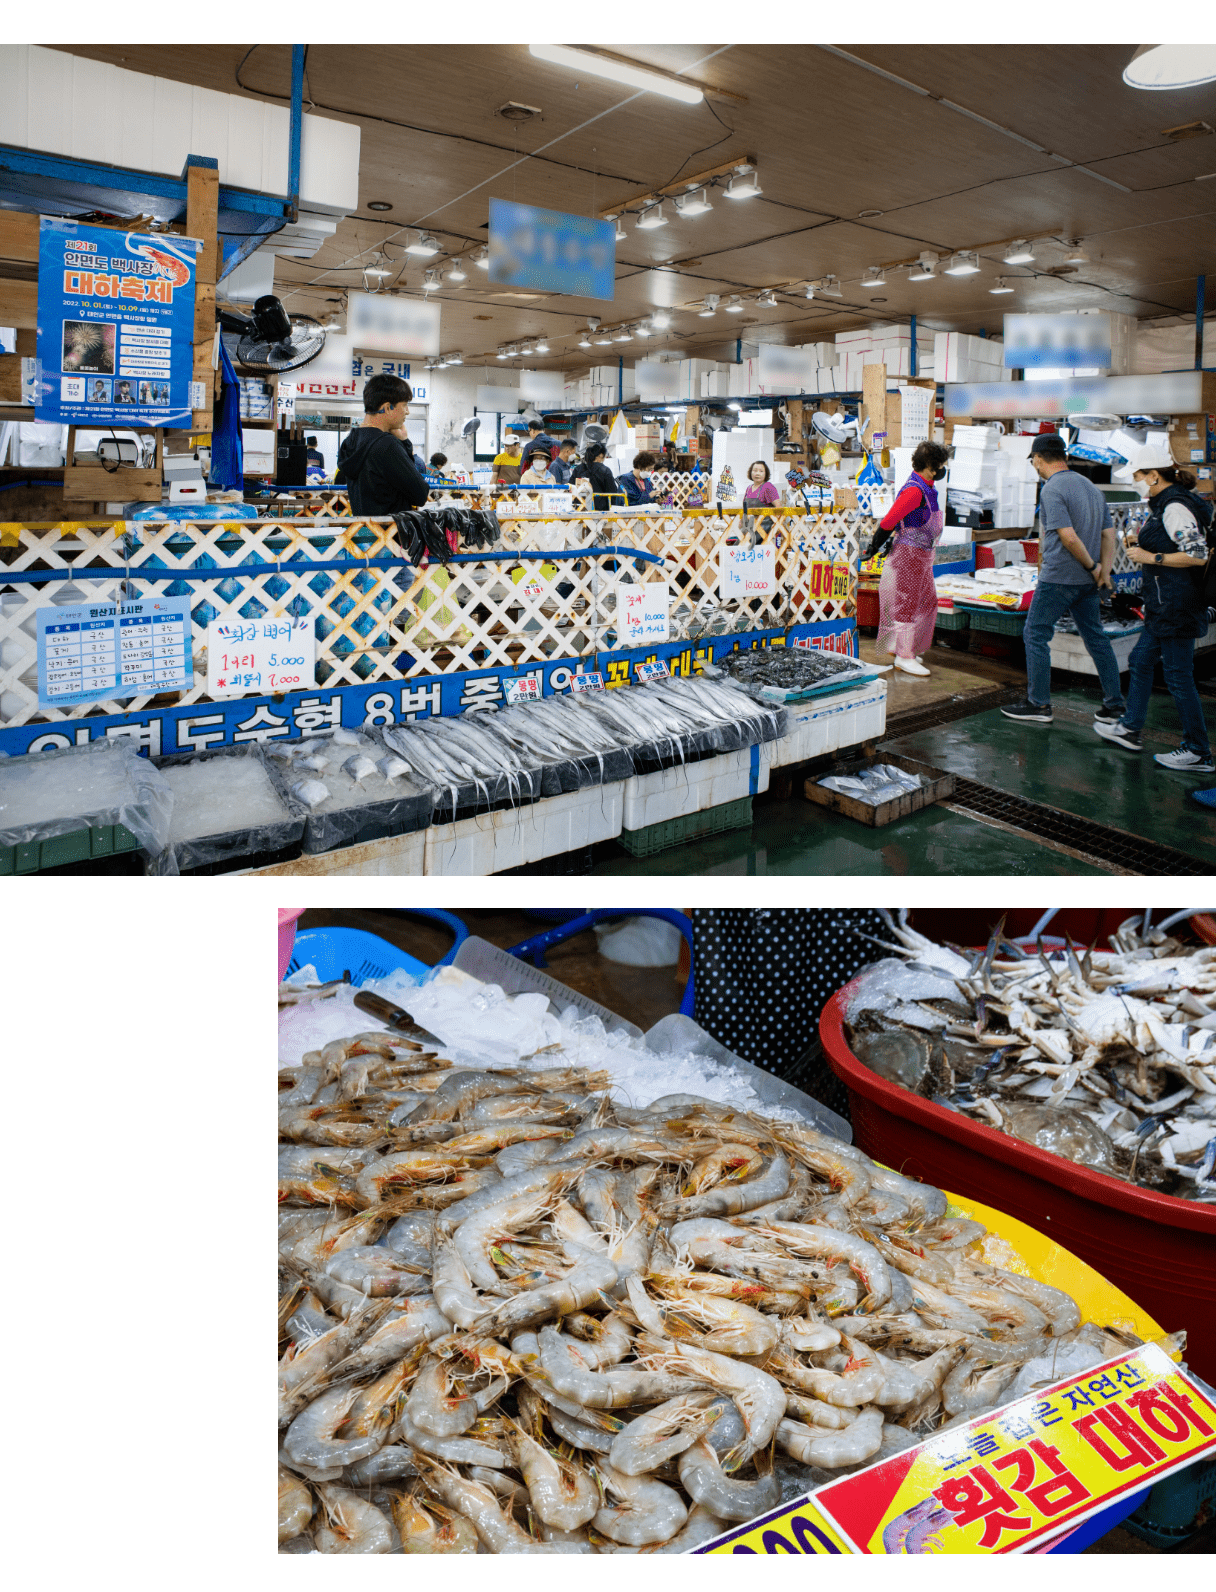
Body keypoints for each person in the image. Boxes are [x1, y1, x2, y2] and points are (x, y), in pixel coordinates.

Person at [1094, 445, 1213, 773]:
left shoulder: (1175, 506)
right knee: (1140, 660)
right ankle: (1131, 728)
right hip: (1165, 604)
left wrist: (1151, 557)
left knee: (1177, 676)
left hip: (1177, 606)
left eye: (1137, 476)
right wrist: (1142, 545)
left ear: (1153, 475)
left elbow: (1197, 554)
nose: (1135, 482)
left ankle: (1198, 750)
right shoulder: (1165, 504)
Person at [1000, 432, 1124, 724]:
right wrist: (1102, 573)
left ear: (1040, 459)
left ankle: (1039, 704)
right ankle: (1114, 706)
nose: (1035, 467)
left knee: (1035, 634)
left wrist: (1093, 566)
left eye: (1034, 461)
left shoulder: (1052, 488)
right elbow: (1109, 535)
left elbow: (1068, 538)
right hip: (1087, 583)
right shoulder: (1091, 488)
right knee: (1096, 637)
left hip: (1060, 578)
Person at [862, 440, 950, 677]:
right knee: (906, 605)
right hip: (909, 555)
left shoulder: (928, 486)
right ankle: (903, 655)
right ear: (930, 467)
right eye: (940, 465)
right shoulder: (914, 490)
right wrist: (873, 546)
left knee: (927, 602)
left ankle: (902, 646)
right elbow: (889, 521)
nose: (943, 470)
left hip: (923, 555)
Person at [334, 374, 429, 516]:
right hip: (391, 533)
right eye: (404, 405)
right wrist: (405, 443)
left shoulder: (351, 441)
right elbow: (420, 495)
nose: (407, 411)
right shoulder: (386, 445)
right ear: (387, 408)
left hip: (363, 531)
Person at [571, 442, 620, 512]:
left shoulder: (578, 469)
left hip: (580, 510)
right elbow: (613, 492)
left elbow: (571, 487)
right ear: (600, 456)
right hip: (600, 512)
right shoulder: (605, 470)